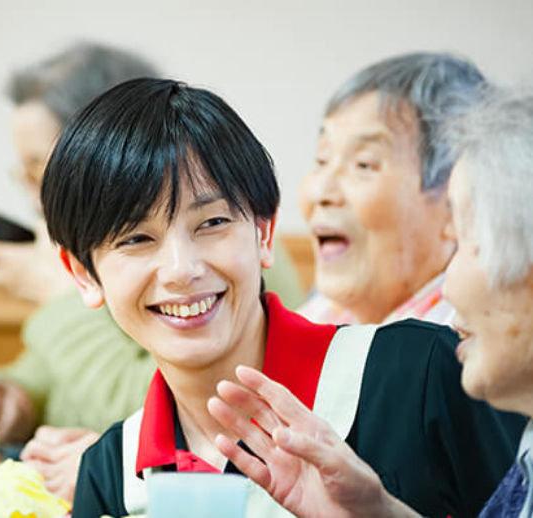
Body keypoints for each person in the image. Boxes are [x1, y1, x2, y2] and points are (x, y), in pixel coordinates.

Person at [39, 77, 524, 517]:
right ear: (83, 274)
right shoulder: (110, 472)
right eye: (136, 239)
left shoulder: (420, 373)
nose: (183, 270)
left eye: (212, 222)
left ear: (264, 233)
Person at [0, 43, 304, 501]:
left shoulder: (232, 258)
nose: (32, 194)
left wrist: (58, 296)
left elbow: (181, 402)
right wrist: (15, 392)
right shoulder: (107, 252)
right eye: (24, 172)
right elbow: (58, 370)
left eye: (39, 167)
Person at [209, 84, 533, 517]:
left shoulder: (430, 357)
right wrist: (377, 510)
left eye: (468, 239)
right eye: (321, 159)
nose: (322, 190)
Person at [298, 52, 485, 326]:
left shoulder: (464, 338)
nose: (319, 192)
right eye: (322, 160)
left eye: (364, 164)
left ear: (454, 204)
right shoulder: (321, 314)